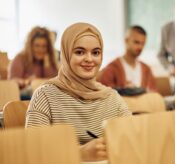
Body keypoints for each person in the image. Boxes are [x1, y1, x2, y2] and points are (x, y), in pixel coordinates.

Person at [25, 23, 131, 162]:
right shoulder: (45, 96)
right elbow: (33, 151)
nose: (89, 59)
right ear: (66, 54)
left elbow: (132, 141)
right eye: (79, 52)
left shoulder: (112, 98)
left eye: (96, 52)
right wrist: (80, 153)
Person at [98, 25, 157, 92]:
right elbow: (104, 92)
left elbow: (154, 92)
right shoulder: (112, 68)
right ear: (126, 41)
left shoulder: (147, 69)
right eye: (136, 42)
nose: (140, 47)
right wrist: (124, 91)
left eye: (143, 44)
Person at [8, 26, 58, 99]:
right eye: (37, 46)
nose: (40, 49)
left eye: (44, 46)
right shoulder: (20, 57)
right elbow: (12, 81)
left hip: (46, 96)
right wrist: (26, 82)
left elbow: (54, 82)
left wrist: (47, 63)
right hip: (24, 96)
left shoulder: (51, 60)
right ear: (30, 46)